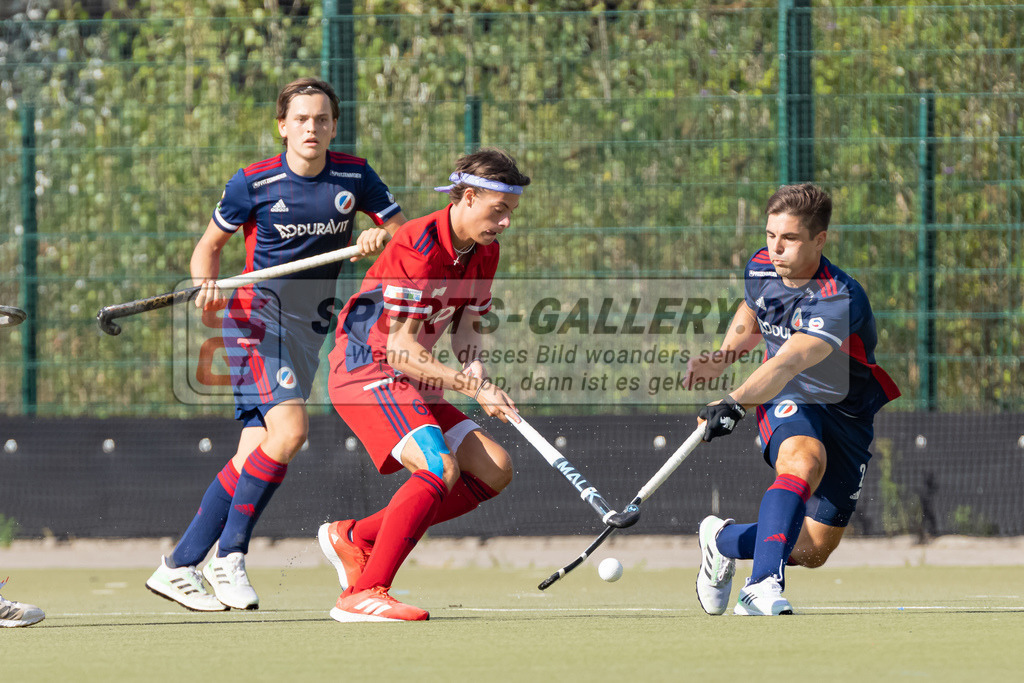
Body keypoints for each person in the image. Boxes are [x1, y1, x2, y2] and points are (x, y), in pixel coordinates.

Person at [146, 77, 406, 612]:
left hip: (309, 330)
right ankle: (230, 557)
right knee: (290, 431)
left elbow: (402, 236)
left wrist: (379, 237)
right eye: (302, 119)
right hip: (254, 322)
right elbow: (209, 248)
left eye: (322, 119)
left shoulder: (355, 176)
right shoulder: (253, 183)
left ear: (333, 126)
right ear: (283, 126)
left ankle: (176, 567)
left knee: (252, 453)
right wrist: (206, 285)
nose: (312, 128)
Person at [318, 148, 530, 622]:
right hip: (367, 368)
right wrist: (472, 390)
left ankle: (356, 537)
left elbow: (468, 326)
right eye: (498, 211)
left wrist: (476, 370)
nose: (505, 223)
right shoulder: (418, 245)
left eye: (511, 213)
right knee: (438, 467)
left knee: (495, 468)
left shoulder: (484, 251)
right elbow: (400, 349)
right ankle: (365, 592)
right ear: (469, 197)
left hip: (409, 379)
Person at [684, 183, 900, 616]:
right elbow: (754, 308)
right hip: (790, 394)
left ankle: (721, 541)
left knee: (814, 549)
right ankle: (761, 586)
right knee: (803, 460)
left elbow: (792, 358)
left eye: (790, 238)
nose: (775, 249)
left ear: (819, 240)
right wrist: (724, 357)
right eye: (769, 235)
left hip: (845, 410)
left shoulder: (838, 296)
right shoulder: (763, 265)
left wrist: (735, 402)